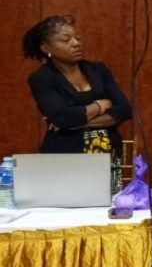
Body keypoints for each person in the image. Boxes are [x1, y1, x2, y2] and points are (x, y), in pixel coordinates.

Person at [24, 15, 133, 193]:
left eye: (78, 38)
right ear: (46, 47)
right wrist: (101, 105)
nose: (75, 43)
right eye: (66, 40)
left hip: (109, 155)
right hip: (65, 156)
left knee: (109, 206)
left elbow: (124, 109)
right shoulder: (42, 78)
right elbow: (62, 117)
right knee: (68, 206)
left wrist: (75, 122)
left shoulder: (97, 69)